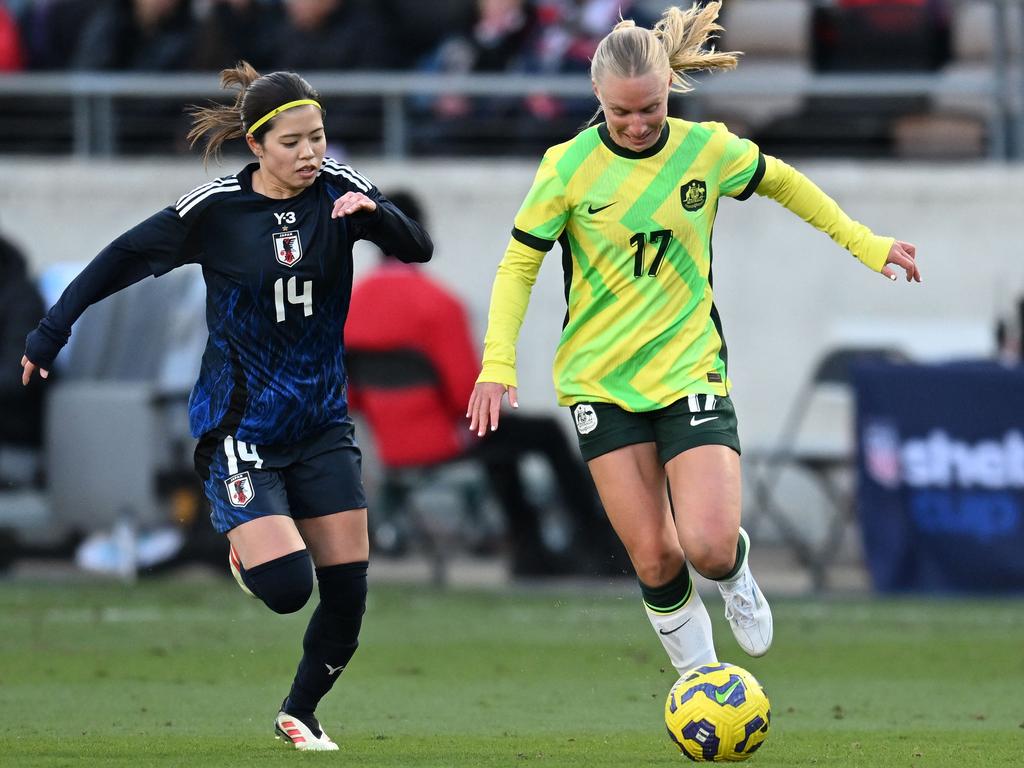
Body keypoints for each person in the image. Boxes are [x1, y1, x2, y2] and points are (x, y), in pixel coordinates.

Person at [467, 1, 920, 678]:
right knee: (653, 556)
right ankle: (703, 682)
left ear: (667, 90)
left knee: (705, 546)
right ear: (598, 98)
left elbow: (787, 185)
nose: (638, 123)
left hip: (688, 367)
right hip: (600, 378)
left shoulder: (706, 149)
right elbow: (518, 267)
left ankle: (734, 574)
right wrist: (496, 363)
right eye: (621, 113)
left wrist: (866, 243)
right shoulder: (567, 167)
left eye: (649, 107)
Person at [21, 61, 433, 750]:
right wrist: (51, 329)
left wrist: (378, 215)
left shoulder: (340, 188)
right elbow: (119, 258)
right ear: (257, 147)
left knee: (349, 589)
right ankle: (248, 547)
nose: (311, 153)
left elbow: (416, 248)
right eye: (293, 142)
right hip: (241, 425)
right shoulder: (214, 210)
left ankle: (300, 711)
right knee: (286, 587)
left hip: (322, 422)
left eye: (319, 137)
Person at [346, 191, 625, 577]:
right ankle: (599, 546)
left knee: (503, 445)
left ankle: (533, 553)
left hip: (390, 445)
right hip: (444, 437)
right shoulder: (437, 303)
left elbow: (350, 397)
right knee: (542, 433)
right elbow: (467, 397)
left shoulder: (351, 305)